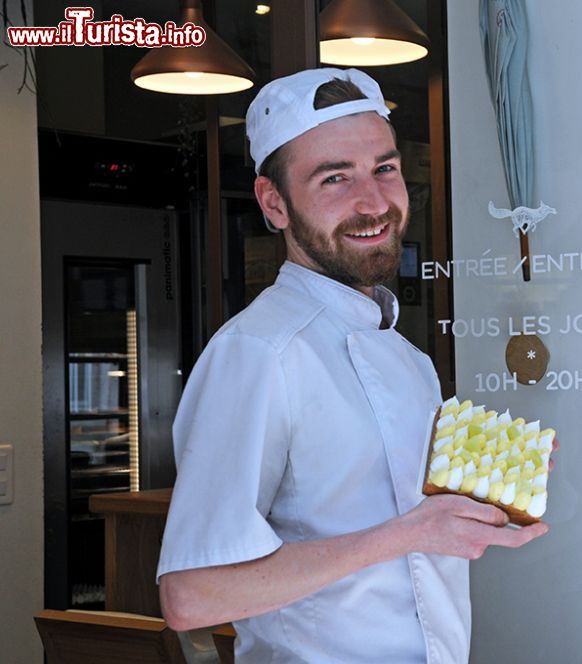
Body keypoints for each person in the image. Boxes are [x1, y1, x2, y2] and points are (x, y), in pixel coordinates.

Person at [156, 68, 550, 663]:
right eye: (334, 177)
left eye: (384, 169)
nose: (373, 203)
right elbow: (192, 595)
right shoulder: (260, 352)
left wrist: (482, 497)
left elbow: (409, 529)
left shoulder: (408, 357)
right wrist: (409, 534)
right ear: (274, 203)